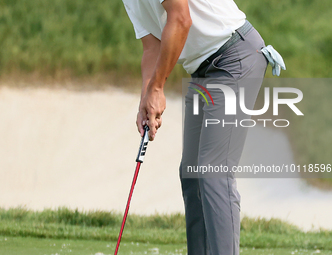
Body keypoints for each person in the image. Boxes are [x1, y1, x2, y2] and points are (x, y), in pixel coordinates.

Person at [122, 0, 284, 254]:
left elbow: (181, 19)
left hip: (235, 56)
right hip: (202, 71)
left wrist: (157, 88)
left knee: (213, 170)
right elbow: (152, 46)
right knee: (192, 174)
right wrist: (146, 97)